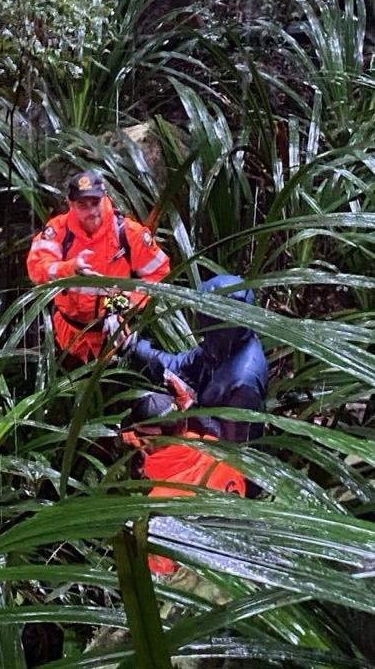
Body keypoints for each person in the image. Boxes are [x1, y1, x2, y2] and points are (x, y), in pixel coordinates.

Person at [120, 274, 268, 573]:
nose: (201, 327)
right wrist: (133, 346)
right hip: (201, 444)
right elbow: (178, 365)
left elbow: (235, 448)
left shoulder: (243, 379)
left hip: (228, 468)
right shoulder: (220, 347)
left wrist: (190, 409)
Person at [27, 169, 171, 364]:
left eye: (95, 203)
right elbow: (37, 269)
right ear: (70, 204)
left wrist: (133, 300)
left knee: (117, 385)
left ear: (105, 198)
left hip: (114, 331)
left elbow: (160, 273)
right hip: (68, 334)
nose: (92, 211)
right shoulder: (58, 231)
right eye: (82, 205)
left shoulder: (128, 233)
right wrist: (69, 269)